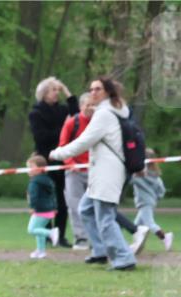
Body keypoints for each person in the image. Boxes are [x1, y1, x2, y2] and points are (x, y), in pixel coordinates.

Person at [49, 77, 136, 271]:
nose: (93, 92)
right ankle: (100, 250)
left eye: (98, 89)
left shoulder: (104, 114)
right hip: (101, 173)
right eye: (91, 89)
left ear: (107, 92)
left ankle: (124, 258)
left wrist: (57, 153)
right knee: (86, 209)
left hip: (107, 173)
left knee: (105, 218)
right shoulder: (111, 111)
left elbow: (84, 142)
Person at [29, 77, 78, 247]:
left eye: (58, 90)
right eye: (53, 90)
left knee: (62, 200)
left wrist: (66, 90)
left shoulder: (62, 110)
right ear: (44, 93)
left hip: (62, 159)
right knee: (45, 199)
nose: (56, 93)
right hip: (45, 160)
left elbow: (76, 114)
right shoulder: (36, 113)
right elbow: (41, 137)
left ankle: (61, 235)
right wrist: (63, 129)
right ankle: (47, 234)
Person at [58, 92, 93, 250]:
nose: (90, 108)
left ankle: (97, 238)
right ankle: (81, 238)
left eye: (93, 105)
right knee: (75, 205)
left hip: (94, 169)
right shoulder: (72, 123)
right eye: (87, 105)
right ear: (81, 106)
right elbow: (63, 146)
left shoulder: (99, 122)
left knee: (96, 205)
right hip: (74, 171)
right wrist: (71, 163)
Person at [129, 149, 172, 255]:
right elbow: (161, 190)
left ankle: (165, 237)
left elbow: (129, 180)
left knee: (149, 223)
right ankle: (137, 245)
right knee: (137, 225)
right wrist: (155, 198)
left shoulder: (137, 175)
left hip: (144, 202)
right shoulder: (156, 176)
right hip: (151, 202)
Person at [25, 155, 60, 259]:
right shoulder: (47, 180)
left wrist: (32, 207)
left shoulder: (35, 182)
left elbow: (33, 196)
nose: (28, 169)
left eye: (31, 166)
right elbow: (53, 195)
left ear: (40, 168)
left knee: (32, 230)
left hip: (40, 210)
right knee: (39, 230)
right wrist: (55, 207)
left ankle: (51, 233)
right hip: (49, 211)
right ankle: (41, 251)